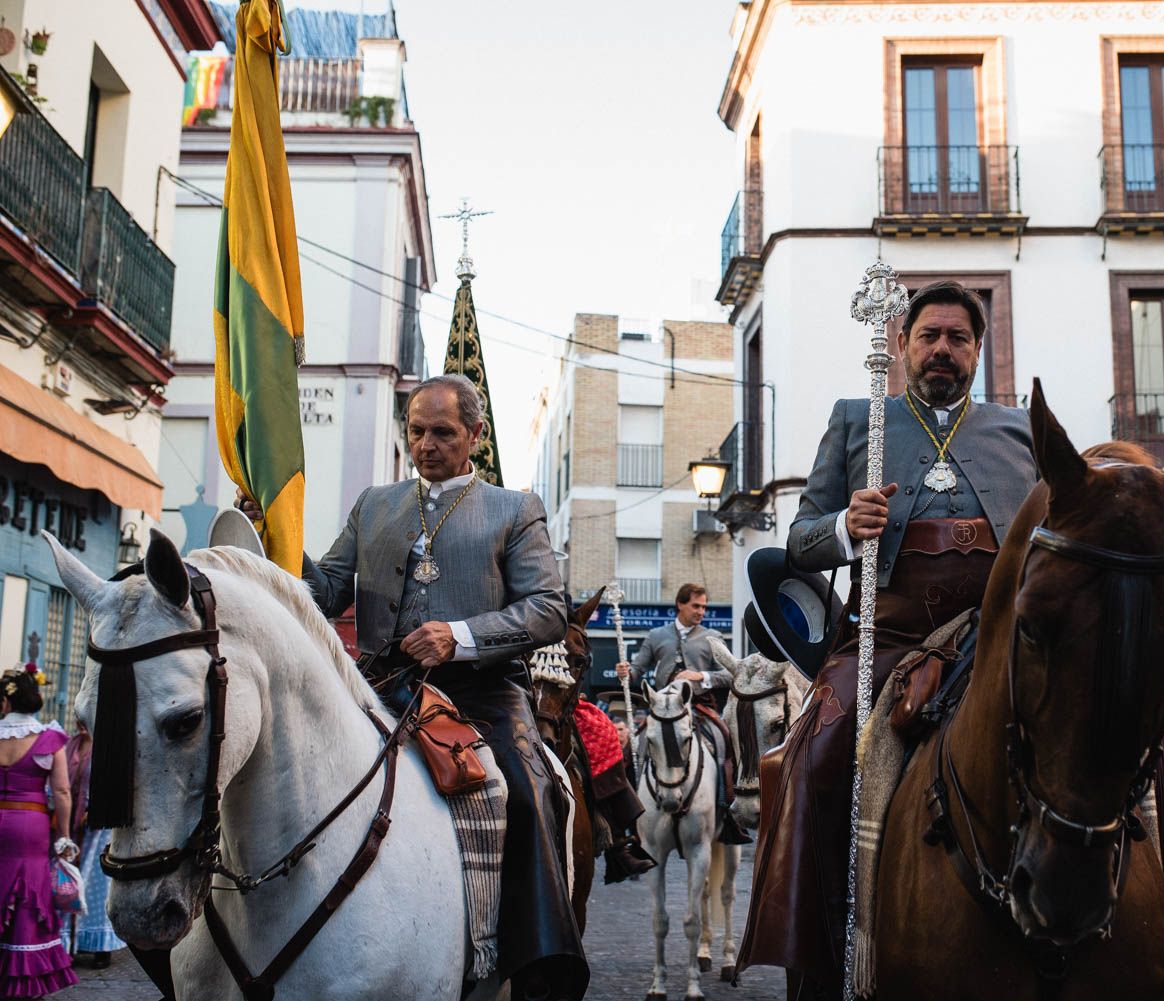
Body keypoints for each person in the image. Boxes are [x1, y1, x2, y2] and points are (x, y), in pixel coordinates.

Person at [239, 373, 585, 999]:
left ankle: (539, 965)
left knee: (530, 793)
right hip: (375, 689)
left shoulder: (514, 509)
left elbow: (548, 609)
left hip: (478, 695)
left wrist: (461, 634)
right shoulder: (375, 504)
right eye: (417, 431)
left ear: (474, 435)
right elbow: (321, 592)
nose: (427, 445)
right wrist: (273, 536)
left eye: (443, 433)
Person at [737, 280, 1039, 993]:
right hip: (888, 635)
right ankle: (815, 952)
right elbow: (802, 537)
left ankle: (1148, 945)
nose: (942, 348)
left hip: (996, 640)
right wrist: (846, 524)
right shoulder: (856, 420)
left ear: (977, 349)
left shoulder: (1018, 429)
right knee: (811, 756)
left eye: (957, 338)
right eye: (928, 335)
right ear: (901, 344)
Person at [615, 583, 750, 845]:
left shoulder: (712, 636)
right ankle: (633, 818)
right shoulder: (656, 635)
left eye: (704, 607)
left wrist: (701, 675)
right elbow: (636, 671)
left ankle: (728, 810)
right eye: (696, 606)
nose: (701, 611)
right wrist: (625, 672)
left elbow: (730, 674)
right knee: (636, 746)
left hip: (699, 706)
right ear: (680, 604)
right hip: (662, 708)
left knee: (725, 739)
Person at [0, 667, 78, 997]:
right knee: (30, 890)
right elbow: (61, 792)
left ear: (5, 703)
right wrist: (64, 835)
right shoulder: (50, 739)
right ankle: (24, 971)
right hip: (30, 825)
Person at [60, 718, 124, 968]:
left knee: (95, 886)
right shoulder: (70, 745)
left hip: (98, 831)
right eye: (79, 718)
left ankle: (100, 945)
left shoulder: (107, 749)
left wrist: (96, 809)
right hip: (73, 829)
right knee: (71, 883)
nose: (81, 723)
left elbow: (116, 787)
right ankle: (71, 942)